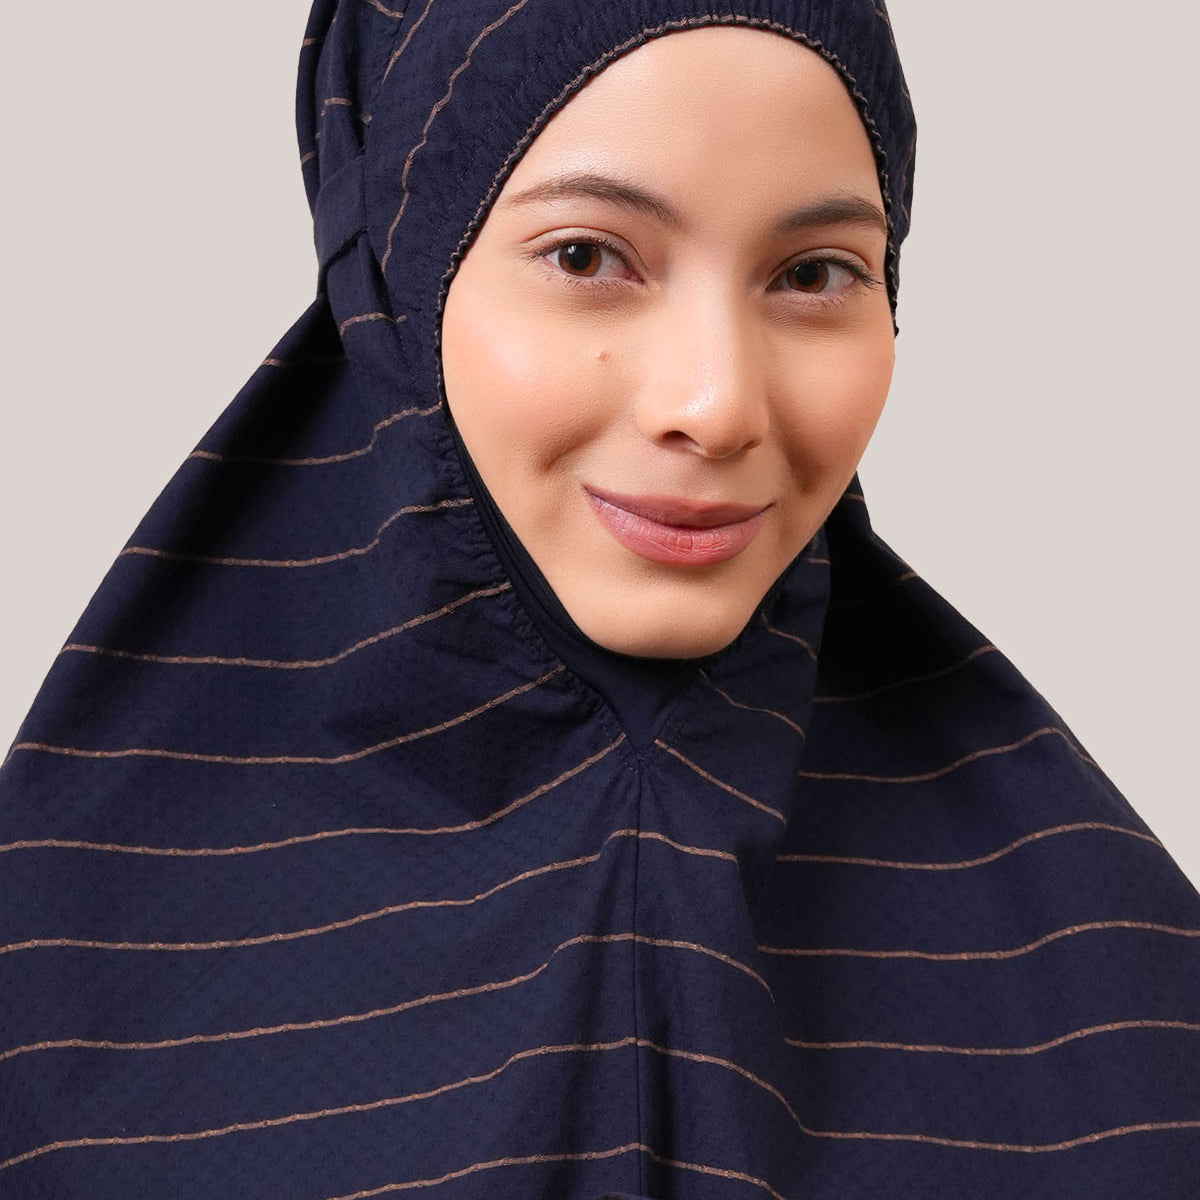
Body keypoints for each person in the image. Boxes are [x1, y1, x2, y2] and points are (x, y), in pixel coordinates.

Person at [1, 3, 1196, 1199]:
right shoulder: (56, 975)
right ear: (399, 270)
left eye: (813, 274)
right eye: (586, 257)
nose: (716, 405)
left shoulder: (1126, 1004)